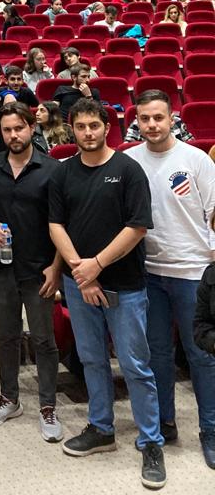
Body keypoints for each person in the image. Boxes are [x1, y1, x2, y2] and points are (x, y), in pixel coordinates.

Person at [48, 99, 166, 489]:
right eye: (81, 126)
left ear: (107, 127)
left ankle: (151, 441)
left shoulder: (128, 170)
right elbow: (55, 225)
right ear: (72, 129)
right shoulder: (63, 173)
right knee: (92, 359)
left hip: (125, 285)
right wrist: (82, 273)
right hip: (79, 284)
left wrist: (96, 265)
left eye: (94, 126)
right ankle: (101, 428)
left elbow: (137, 227)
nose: (88, 133)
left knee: (135, 365)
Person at [125, 90, 215, 467]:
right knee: (157, 354)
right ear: (137, 121)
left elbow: (214, 214)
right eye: (145, 119)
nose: (152, 125)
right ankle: (165, 422)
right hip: (149, 273)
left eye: (158, 117)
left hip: (194, 271)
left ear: (172, 117)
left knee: (201, 355)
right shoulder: (129, 160)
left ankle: (210, 429)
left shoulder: (196, 159)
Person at [0, 104, 64, 441]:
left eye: (19, 128)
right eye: (7, 130)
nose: (13, 135)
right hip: (2, 268)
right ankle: (9, 398)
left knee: (43, 339)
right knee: (7, 337)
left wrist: (56, 268)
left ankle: (48, 406)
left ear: (31, 128)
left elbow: (61, 223)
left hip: (40, 269)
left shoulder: (52, 169)